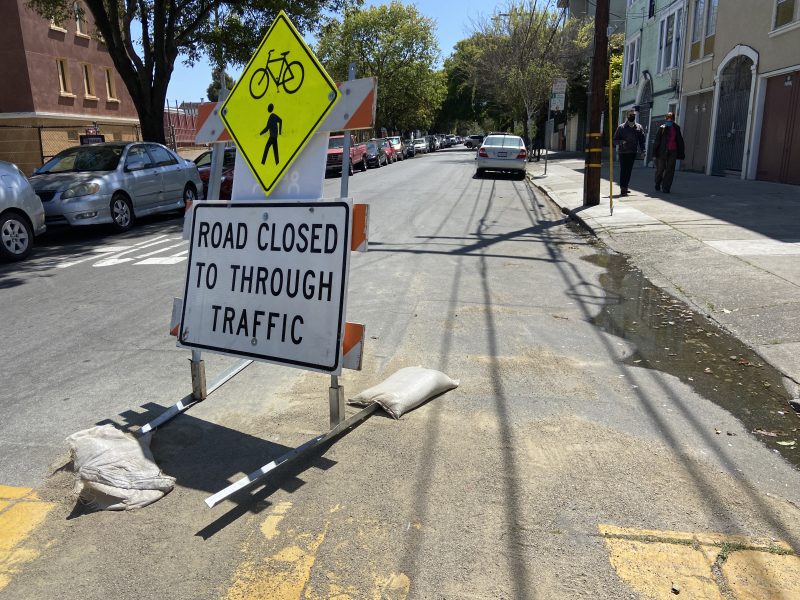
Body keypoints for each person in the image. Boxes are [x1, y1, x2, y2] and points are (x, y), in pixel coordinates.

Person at [612, 110, 646, 196]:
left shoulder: (638, 127)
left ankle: (625, 186)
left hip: (632, 152)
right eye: (631, 115)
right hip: (623, 152)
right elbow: (614, 140)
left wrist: (643, 151)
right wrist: (621, 142)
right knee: (624, 170)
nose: (632, 116)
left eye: (634, 115)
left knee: (629, 171)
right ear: (627, 116)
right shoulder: (621, 127)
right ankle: (623, 188)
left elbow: (642, 141)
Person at [652, 112, 685, 193]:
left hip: (673, 151)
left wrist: (681, 152)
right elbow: (657, 141)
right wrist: (654, 153)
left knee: (670, 170)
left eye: (670, 120)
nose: (669, 121)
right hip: (662, 152)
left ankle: (666, 187)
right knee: (660, 169)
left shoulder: (676, 128)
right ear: (665, 119)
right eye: (667, 120)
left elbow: (680, 140)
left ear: (673, 120)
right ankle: (658, 182)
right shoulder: (662, 128)